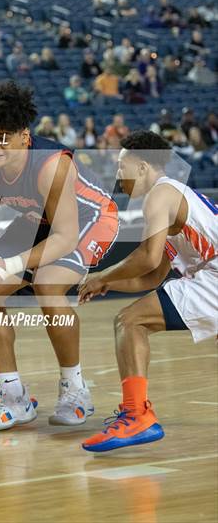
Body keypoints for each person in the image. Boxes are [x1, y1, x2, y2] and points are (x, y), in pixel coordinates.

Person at [0, 81, 119, 432]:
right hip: (34, 220)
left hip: (89, 220)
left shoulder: (51, 166)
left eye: (4, 136)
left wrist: (10, 265)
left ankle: (75, 390)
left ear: (24, 135)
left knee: (48, 285)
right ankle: (13, 398)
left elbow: (63, 236)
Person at [79, 130, 217, 452]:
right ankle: (137, 414)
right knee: (131, 319)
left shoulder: (161, 194)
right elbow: (153, 276)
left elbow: (146, 257)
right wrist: (109, 283)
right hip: (209, 273)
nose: (117, 174)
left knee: (130, 322)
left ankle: (136, 415)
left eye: (121, 165)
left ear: (142, 166)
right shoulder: (171, 197)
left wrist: (101, 275)